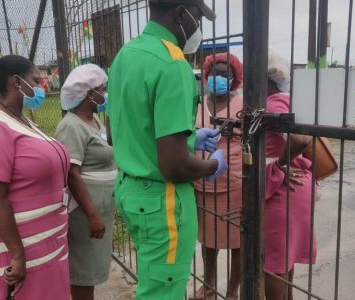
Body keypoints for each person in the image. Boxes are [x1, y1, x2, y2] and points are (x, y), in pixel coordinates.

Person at [106, 1, 227, 299]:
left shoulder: (126, 55)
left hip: (130, 191)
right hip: (163, 201)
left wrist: (190, 137)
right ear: (181, 13)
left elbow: (116, 132)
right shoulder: (173, 63)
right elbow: (174, 165)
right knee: (164, 292)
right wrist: (213, 166)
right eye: (198, 17)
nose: (198, 26)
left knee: (153, 284)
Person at [0, 55, 70, 299]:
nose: (42, 87)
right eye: (36, 81)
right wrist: (17, 254)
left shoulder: (22, 120)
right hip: (12, 245)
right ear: (17, 82)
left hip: (43, 239)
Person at [55, 64, 117, 300]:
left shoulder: (94, 121)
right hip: (84, 212)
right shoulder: (72, 126)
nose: (106, 93)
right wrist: (92, 215)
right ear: (90, 94)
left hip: (99, 208)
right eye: (103, 88)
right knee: (83, 273)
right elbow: (72, 174)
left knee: (91, 267)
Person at [264, 50, 315, 300]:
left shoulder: (273, 103)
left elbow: (300, 139)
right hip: (297, 186)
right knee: (285, 257)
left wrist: (282, 164)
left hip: (282, 188)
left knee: (274, 262)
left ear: (265, 80)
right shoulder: (291, 99)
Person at [192, 52, 243, 300]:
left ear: (234, 78)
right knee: (207, 239)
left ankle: (233, 291)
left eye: (225, 74)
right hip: (201, 179)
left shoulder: (242, 105)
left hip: (233, 182)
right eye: (214, 73)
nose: (218, 77)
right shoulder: (198, 103)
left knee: (237, 241)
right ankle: (208, 285)